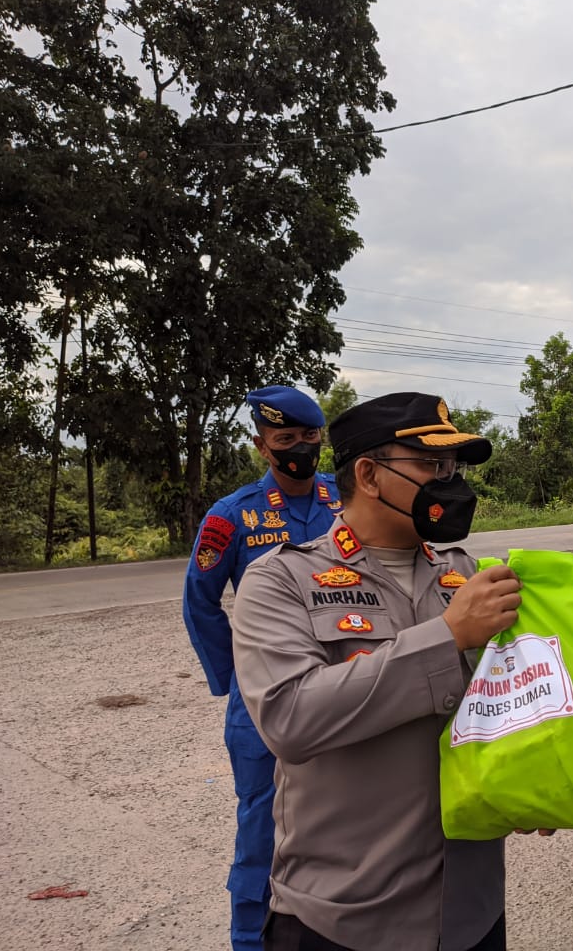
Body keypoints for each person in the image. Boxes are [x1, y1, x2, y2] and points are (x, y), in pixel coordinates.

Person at [231, 392, 524, 951]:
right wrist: (447, 637)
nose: (450, 482)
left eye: (454, 467)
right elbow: (291, 719)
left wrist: (532, 785)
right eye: (431, 466)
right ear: (368, 474)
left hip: (470, 914)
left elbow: (507, 708)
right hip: (344, 917)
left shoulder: (468, 575)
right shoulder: (281, 581)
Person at [183, 385, 343, 951]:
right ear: (261, 446)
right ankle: (251, 939)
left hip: (347, 690)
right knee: (261, 829)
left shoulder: (345, 500)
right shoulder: (232, 517)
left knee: (347, 818)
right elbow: (199, 600)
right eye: (286, 439)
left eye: (309, 436)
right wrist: (238, 677)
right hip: (264, 702)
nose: (301, 448)